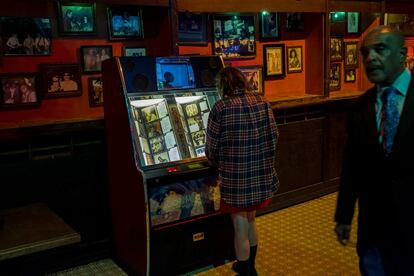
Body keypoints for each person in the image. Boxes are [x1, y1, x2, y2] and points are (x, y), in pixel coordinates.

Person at [334, 25, 414, 275]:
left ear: (402, 54)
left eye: (380, 49)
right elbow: (352, 166)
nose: (370, 58)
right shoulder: (359, 109)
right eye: (365, 53)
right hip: (373, 233)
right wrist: (344, 215)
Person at [206, 67, 279, 276]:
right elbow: (274, 136)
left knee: (239, 225)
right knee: (250, 221)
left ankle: (245, 271)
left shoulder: (221, 107)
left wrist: (215, 161)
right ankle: (251, 267)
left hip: (234, 178)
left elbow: (211, 148)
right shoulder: (263, 102)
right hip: (259, 175)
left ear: (223, 85)